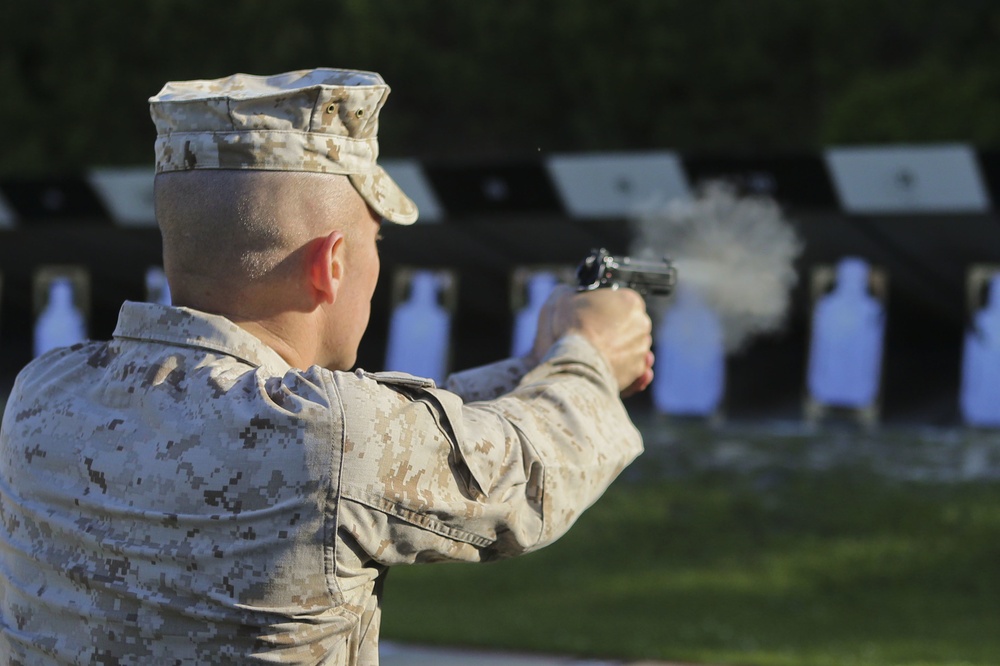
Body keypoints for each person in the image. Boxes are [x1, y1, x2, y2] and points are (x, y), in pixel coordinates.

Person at [0, 68, 654, 664]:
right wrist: (589, 356)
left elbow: (390, 437)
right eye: (376, 242)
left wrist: (536, 366)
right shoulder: (333, 436)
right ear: (331, 264)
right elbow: (528, 472)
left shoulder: (43, 393)